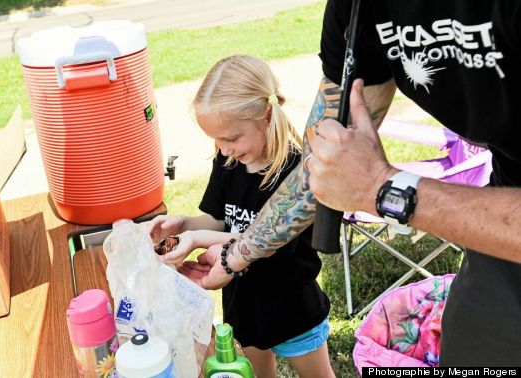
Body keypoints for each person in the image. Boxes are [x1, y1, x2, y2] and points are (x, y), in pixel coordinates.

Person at [181, 1, 521, 367]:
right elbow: (319, 166)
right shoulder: (360, 8)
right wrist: (234, 257)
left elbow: (364, 182)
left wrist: (386, 189)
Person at [147, 55, 335, 377]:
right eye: (216, 140)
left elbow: (272, 243)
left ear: (265, 114)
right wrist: (185, 225)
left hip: (292, 309)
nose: (223, 149)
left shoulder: (296, 175)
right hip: (243, 304)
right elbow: (218, 220)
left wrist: (199, 238)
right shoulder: (228, 163)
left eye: (231, 138)